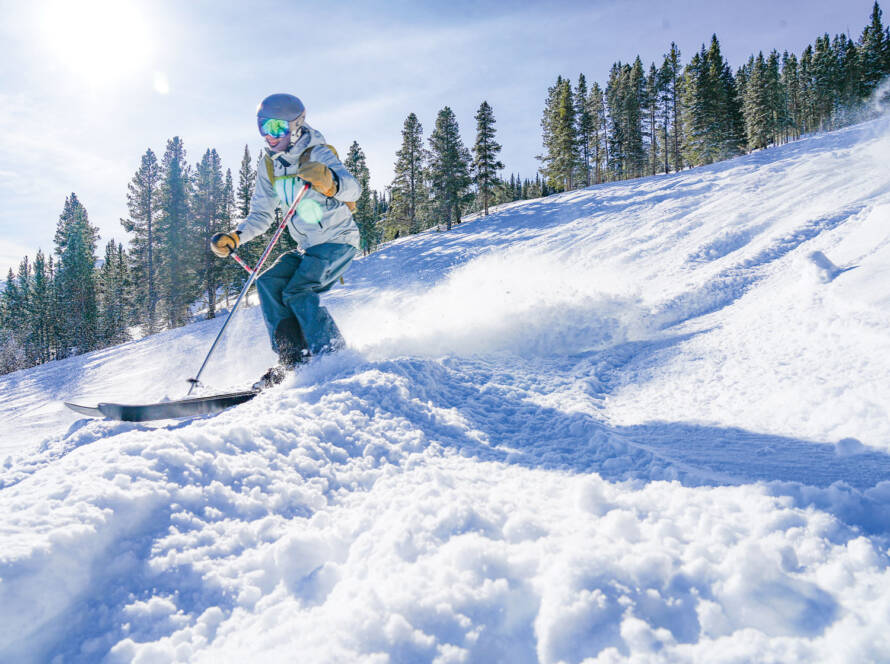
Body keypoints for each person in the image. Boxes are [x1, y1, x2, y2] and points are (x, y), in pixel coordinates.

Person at [210, 93, 360, 389]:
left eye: (277, 128)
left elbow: (353, 190)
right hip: (308, 247)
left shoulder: (318, 152)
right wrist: (235, 238)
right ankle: (292, 360)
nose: (269, 135)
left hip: (339, 240)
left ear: (296, 125)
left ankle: (332, 355)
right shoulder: (270, 165)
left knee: (298, 289)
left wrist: (329, 180)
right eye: (263, 127)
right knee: (268, 283)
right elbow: (261, 215)